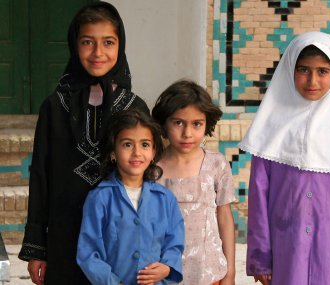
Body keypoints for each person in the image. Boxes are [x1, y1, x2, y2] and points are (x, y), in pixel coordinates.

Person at [18, 2, 149, 284]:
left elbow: (147, 180)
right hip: (66, 238)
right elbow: (41, 176)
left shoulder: (135, 109)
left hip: (121, 240)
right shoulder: (54, 107)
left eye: (108, 42)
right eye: (87, 42)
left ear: (120, 45)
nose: (98, 53)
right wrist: (37, 248)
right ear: (74, 45)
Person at [240, 31, 330, 285]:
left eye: (322, 71)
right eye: (303, 70)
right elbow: (258, 197)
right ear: (289, 71)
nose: (312, 80)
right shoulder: (269, 129)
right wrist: (260, 258)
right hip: (283, 248)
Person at [76, 109, 184, 285]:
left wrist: (167, 267)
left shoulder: (166, 199)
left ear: (154, 152)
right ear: (113, 152)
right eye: (127, 144)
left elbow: (175, 243)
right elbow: (88, 253)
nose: (136, 153)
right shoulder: (99, 199)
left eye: (145, 145)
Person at [152, 80, 237, 285]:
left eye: (196, 124)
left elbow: (224, 218)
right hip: (164, 274)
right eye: (178, 122)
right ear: (164, 122)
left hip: (209, 272)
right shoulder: (152, 168)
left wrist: (231, 271)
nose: (187, 133)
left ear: (207, 123)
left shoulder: (217, 164)